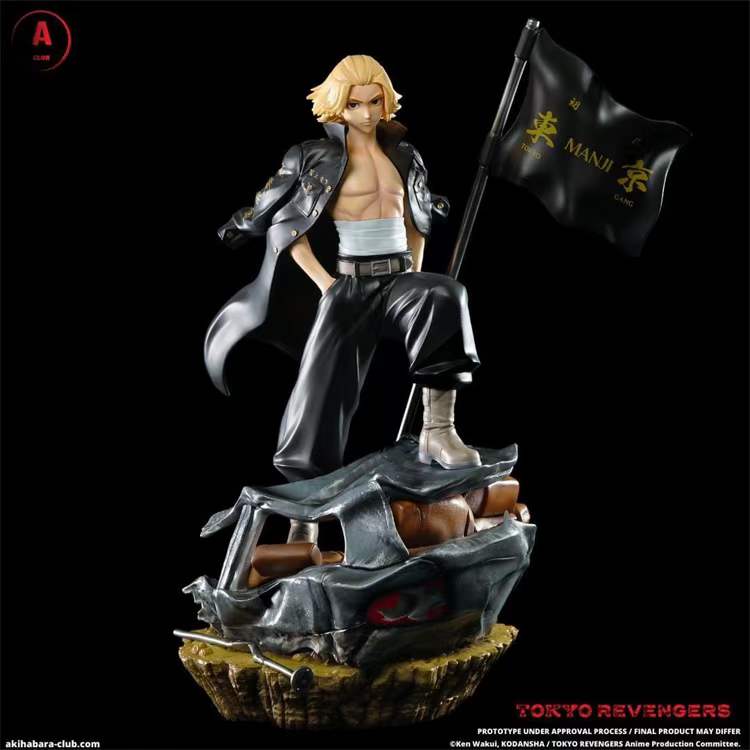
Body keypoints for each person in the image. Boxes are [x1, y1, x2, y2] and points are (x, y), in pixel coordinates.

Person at [205, 55, 481, 509]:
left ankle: (438, 430)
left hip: (398, 279)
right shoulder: (314, 157)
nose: (367, 114)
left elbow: (418, 221)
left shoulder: (405, 156)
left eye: (375, 102)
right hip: (348, 285)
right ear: (338, 106)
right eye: (355, 104)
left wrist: (415, 274)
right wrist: (326, 284)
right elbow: (285, 227)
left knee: (445, 295)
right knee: (319, 392)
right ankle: (305, 502)